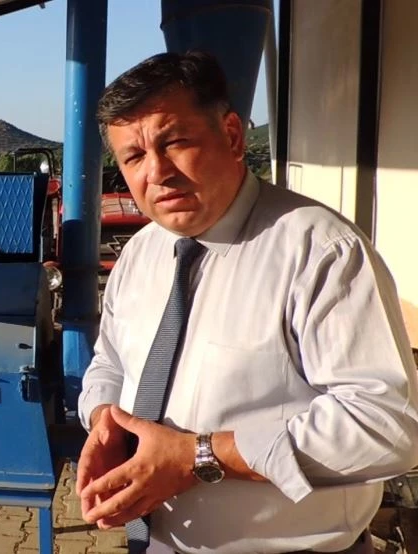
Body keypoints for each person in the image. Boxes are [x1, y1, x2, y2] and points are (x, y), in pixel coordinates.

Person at [76, 50, 418, 554]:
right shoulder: (140, 253)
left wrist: (200, 457)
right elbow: (110, 360)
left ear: (233, 136)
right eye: (134, 157)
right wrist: (104, 418)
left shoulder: (320, 251)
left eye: (175, 142)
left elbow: (384, 426)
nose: (157, 172)